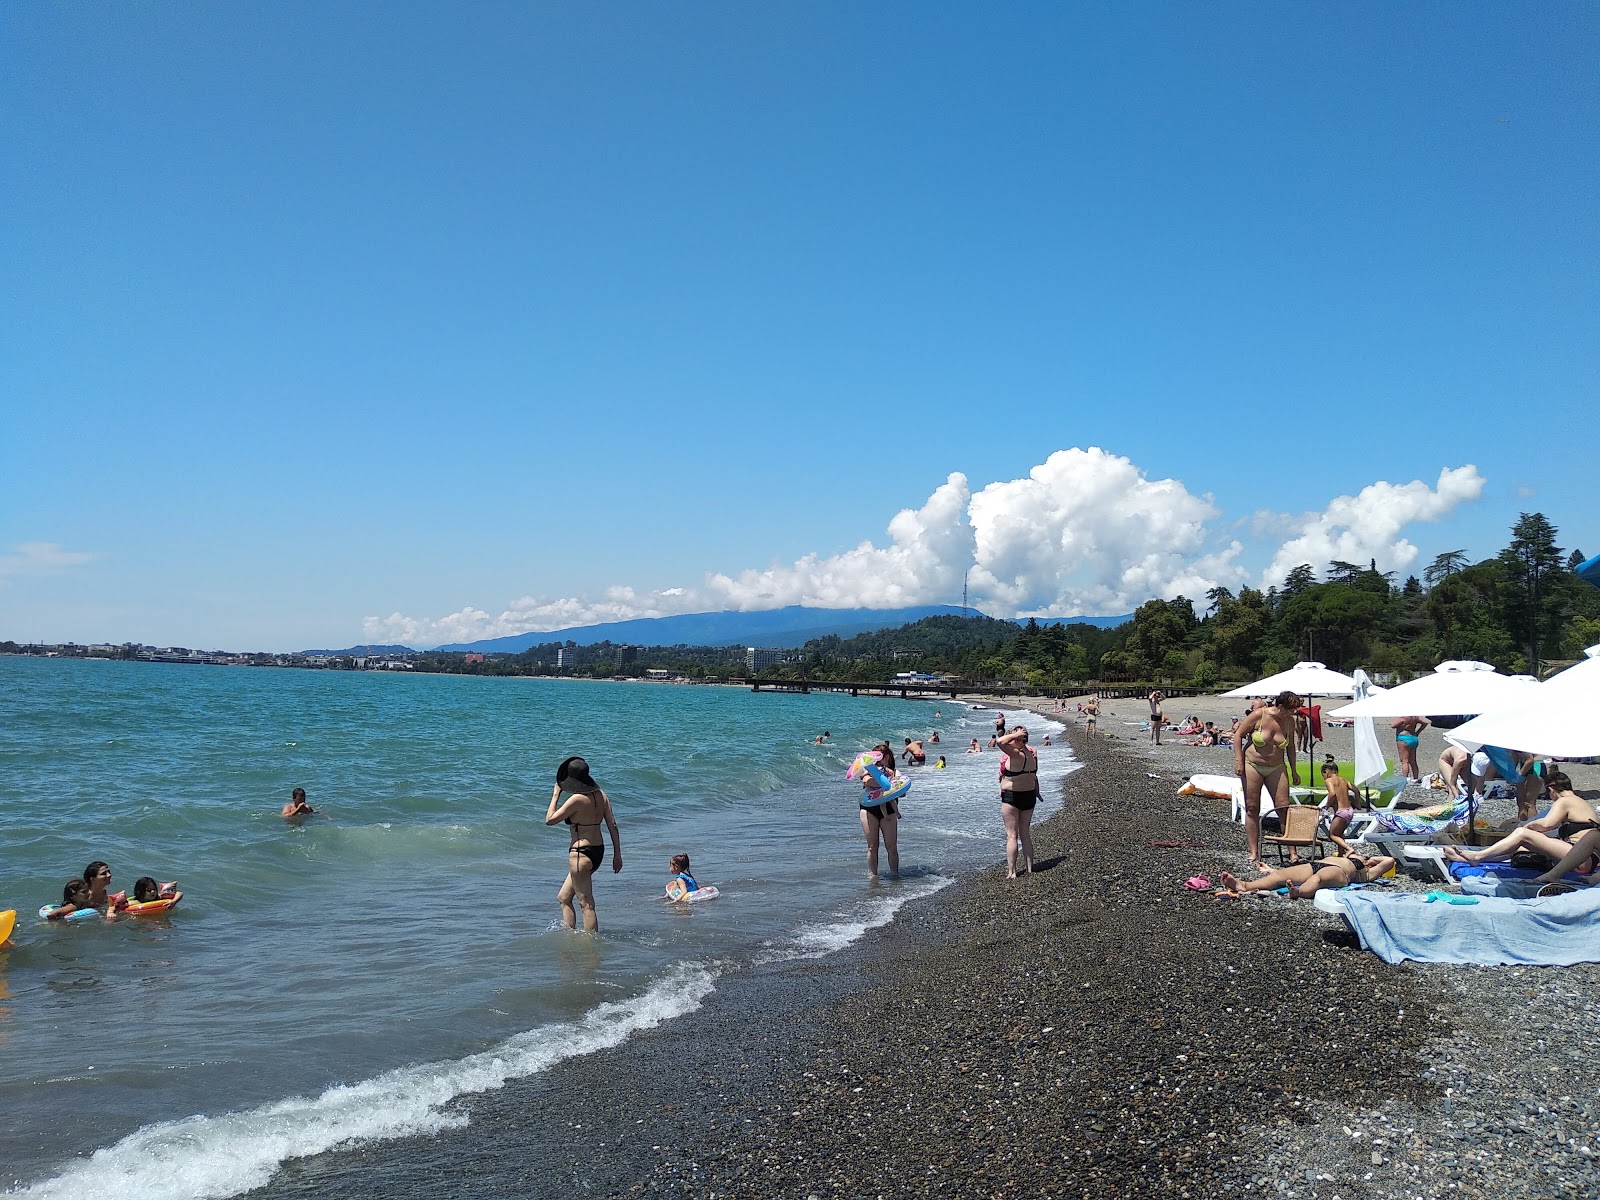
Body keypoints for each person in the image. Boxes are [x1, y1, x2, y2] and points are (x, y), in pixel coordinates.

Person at [1444, 771, 1598, 875]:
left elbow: (1546, 824)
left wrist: (1527, 827)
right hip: (1585, 859)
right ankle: (1474, 857)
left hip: (1581, 859)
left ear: (1551, 789)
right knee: (1522, 845)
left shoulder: (1565, 801)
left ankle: (1477, 857)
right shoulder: (1582, 803)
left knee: (1522, 834)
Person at [544, 756, 622, 932]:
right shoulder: (601, 795)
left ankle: (591, 946)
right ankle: (570, 937)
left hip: (580, 855)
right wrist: (617, 854)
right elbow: (613, 825)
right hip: (597, 852)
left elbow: (549, 820)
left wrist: (556, 794)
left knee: (586, 904)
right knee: (564, 897)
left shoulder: (576, 799)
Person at [1234, 691, 1301, 868]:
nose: (1293, 713)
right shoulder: (1259, 715)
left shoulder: (1289, 722)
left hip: (1277, 767)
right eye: (1291, 710)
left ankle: (1292, 851)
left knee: (1283, 807)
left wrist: (1294, 771)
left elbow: (1291, 747)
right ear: (1280, 707)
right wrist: (1239, 761)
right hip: (1252, 764)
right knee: (1252, 807)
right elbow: (1238, 735)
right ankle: (1254, 851)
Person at [1219, 854, 1396, 899]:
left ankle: (1298, 892)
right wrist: (1272, 870)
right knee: (1281, 874)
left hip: (1341, 874)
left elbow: (1389, 860)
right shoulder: (1353, 856)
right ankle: (1244, 885)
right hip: (1318, 863)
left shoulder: (1366, 873)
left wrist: (1370, 860)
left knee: (1317, 880)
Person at [997, 725, 1039, 879]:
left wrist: (1016, 735)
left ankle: (1012, 871)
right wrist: (1037, 792)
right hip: (1029, 796)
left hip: (1012, 797)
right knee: (1025, 834)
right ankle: (1029, 868)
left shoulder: (1015, 754)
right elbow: (1034, 775)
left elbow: (1000, 741)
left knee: (1012, 836)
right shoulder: (1032, 753)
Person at [857, 748, 901, 878]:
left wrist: (890, 777)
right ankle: (873, 877)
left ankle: (895, 875)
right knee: (872, 846)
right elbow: (867, 781)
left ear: (887, 757)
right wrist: (880, 778)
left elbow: (901, 791)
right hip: (869, 808)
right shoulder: (866, 770)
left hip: (888, 807)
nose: (875, 760)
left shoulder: (894, 772)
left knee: (892, 847)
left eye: (878, 756)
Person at [1320, 760, 1367, 855]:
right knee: (1339, 834)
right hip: (1349, 811)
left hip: (1341, 812)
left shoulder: (1329, 781)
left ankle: (1348, 849)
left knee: (1332, 835)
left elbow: (1332, 793)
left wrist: (1327, 805)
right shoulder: (1344, 780)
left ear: (1326, 771)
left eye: (1323, 774)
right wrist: (1357, 804)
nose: (1323, 777)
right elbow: (1356, 791)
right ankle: (1341, 854)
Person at [1390, 715, 1430, 782]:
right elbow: (1425, 722)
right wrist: (1418, 731)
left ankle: (1404, 779)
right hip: (1413, 737)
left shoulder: (1403, 717)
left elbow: (1393, 725)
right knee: (1413, 761)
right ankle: (1415, 778)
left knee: (1404, 761)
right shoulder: (1415, 717)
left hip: (1403, 738)